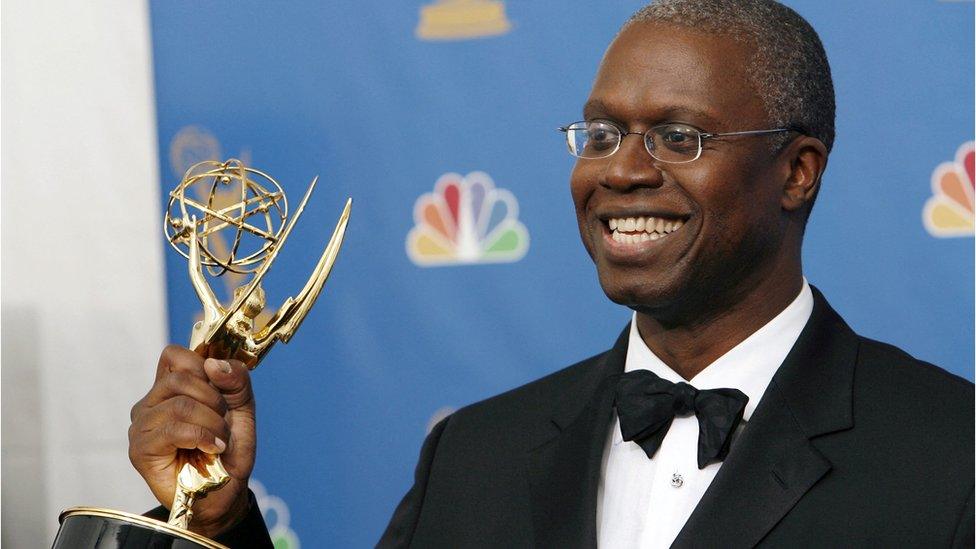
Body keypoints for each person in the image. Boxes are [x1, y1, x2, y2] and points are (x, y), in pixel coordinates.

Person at [128, 0, 975, 547]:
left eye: (679, 138)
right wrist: (217, 519)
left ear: (798, 171)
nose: (622, 171)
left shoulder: (953, 454)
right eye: (601, 135)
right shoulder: (474, 454)